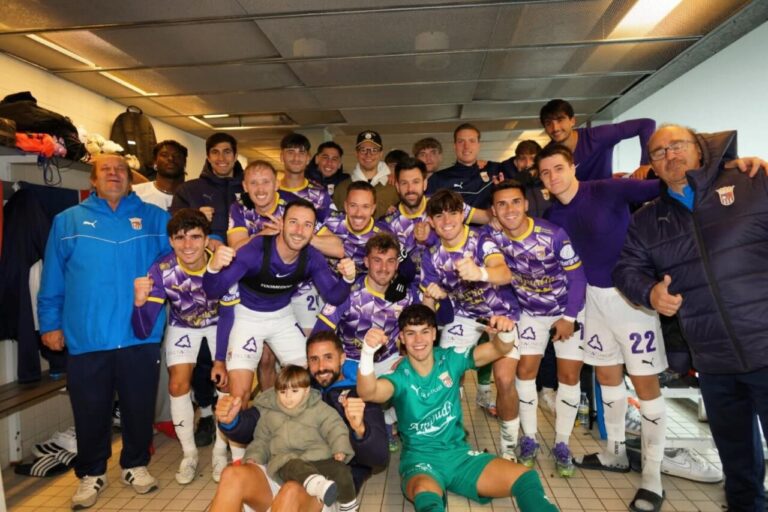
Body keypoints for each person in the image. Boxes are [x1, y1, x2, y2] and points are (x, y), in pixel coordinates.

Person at [612, 126, 768, 512]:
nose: (669, 155)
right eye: (658, 152)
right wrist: (650, 292)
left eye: (676, 145)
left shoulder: (751, 182)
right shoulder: (649, 219)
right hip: (713, 360)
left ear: (698, 148)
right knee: (738, 465)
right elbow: (626, 270)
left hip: (765, 341)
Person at [38, 154, 170, 509]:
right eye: (106, 170)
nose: (114, 174)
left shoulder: (156, 219)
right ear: (93, 180)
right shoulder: (68, 221)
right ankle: (91, 473)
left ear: (130, 179)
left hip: (139, 334)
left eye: (121, 170)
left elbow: (181, 260)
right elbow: (52, 277)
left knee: (139, 407)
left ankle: (135, 465)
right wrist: (49, 323)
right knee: (90, 409)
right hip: (87, 335)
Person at [357, 304, 558, 512]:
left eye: (424, 332)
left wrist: (506, 332)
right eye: (410, 333)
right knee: (427, 499)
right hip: (420, 461)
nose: (418, 340)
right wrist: (367, 352)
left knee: (525, 478)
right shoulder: (399, 375)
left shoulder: (450, 359)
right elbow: (368, 392)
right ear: (401, 338)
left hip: (459, 456)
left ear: (434, 334)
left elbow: (499, 349)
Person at [202, 199, 357, 411]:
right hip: (247, 318)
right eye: (293, 222)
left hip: (282, 316)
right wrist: (212, 267)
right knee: (239, 395)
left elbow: (334, 296)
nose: (299, 231)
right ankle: (240, 432)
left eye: (307, 225)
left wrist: (347, 279)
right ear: (281, 224)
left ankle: (300, 426)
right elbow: (213, 291)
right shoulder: (255, 251)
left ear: (313, 231)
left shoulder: (312, 257)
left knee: (308, 381)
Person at [211, 330, 389, 512]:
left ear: (342, 358)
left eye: (328, 357)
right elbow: (256, 421)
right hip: (281, 467)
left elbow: (379, 457)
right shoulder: (296, 385)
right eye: (314, 359)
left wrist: (360, 431)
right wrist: (232, 420)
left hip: (326, 481)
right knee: (232, 475)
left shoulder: (361, 393)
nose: (321, 366)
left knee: (291, 491)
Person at [486, 180, 587, 475]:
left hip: (567, 311)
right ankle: (529, 439)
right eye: (502, 204)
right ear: (494, 210)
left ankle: (563, 443)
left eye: (515, 202)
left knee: (568, 376)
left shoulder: (553, 234)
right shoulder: (494, 239)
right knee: (525, 371)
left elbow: (578, 278)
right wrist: (511, 312)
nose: (510, 209)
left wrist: (569, 317)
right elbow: (498, 280)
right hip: (530, 313)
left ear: (526, 204)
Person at [419, 190, 521, 459]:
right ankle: (450, 439)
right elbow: (427, 308)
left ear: (462, 215)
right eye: (439, 215)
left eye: (453, 213)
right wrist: (432, 297)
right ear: (431, 221)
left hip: (502, 314)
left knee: (504, 379)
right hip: (464, 315)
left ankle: (509, 449)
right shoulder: (431, 255)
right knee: (446, 376)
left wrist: (480, 273)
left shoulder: (481, 240)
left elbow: (504, 272)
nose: (447, 221)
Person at [131, 208, 230, 484]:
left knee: (226, 383)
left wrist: (221, 359)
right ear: (171, 241)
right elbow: (142, 330)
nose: (188, 245)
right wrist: (139, 303)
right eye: (180, 238)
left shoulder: (222, 263)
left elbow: (232, 314)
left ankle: (220, 451)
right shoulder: (161, 270)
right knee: (177, 384)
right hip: (183, 325)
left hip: (220, 323)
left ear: (207, 239)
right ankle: (189, 454)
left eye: (195, 237)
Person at [244, 365, 357, 510]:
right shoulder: (269, 415)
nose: (288, 397)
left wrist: (339, 449)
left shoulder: (319, 408)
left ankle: (348, 504)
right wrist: (253, 457)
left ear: (306, 391)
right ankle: (316, 484)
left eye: (295, 391)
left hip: (318, 459)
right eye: (282, 392)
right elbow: (261, 440)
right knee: (292, 465)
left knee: (341, 471)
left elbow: (335, 427)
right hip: (286, 463)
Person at [539, 99, 655, 181]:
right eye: (549, 123)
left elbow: (646, 125)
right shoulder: (547, 155)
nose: (555, 128)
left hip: (606, 201)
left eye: (560, 120)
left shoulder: (597, 136)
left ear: (572, 121)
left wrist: (645, 163)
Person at [171, 132, 244, 246]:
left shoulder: (250, 190)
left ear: (235, 156)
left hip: (246, 254)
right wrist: (196, 218)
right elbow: (175, 230)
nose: (221, 158)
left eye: (227, 152)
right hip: (205, 255)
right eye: (215, 152)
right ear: (208, 158)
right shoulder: (187, 191)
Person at [426, 123, 505, 209]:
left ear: (479, 145)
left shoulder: (495, 170)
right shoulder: (438, 179)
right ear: (455, 146)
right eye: (461, 141)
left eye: (472, 141)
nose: (466, 146)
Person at [323, 182, 393, 275]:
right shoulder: (329, 220)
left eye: (365, 206)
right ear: (346, 206)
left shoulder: (384, 235)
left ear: (373, 209)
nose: (358, 213)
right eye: (353, 205)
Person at [332, 130, 399, 218]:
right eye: (363, 150)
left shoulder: (394, 187)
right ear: (356, 153)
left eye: (374, 150)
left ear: (381, 154)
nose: (368, 154)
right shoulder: (342, 188)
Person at [500, 140, 551, 218]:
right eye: (522, 159)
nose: (527, 164)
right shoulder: (504, 184)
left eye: (533, 159)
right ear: (516, 161)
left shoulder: (549, 181)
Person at [132, 140, 188, 210]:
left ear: (184, 163)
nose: (171, 158)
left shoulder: (193, 197)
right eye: (164, 155)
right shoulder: (135, 193)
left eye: (177, 155)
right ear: (155, 162)